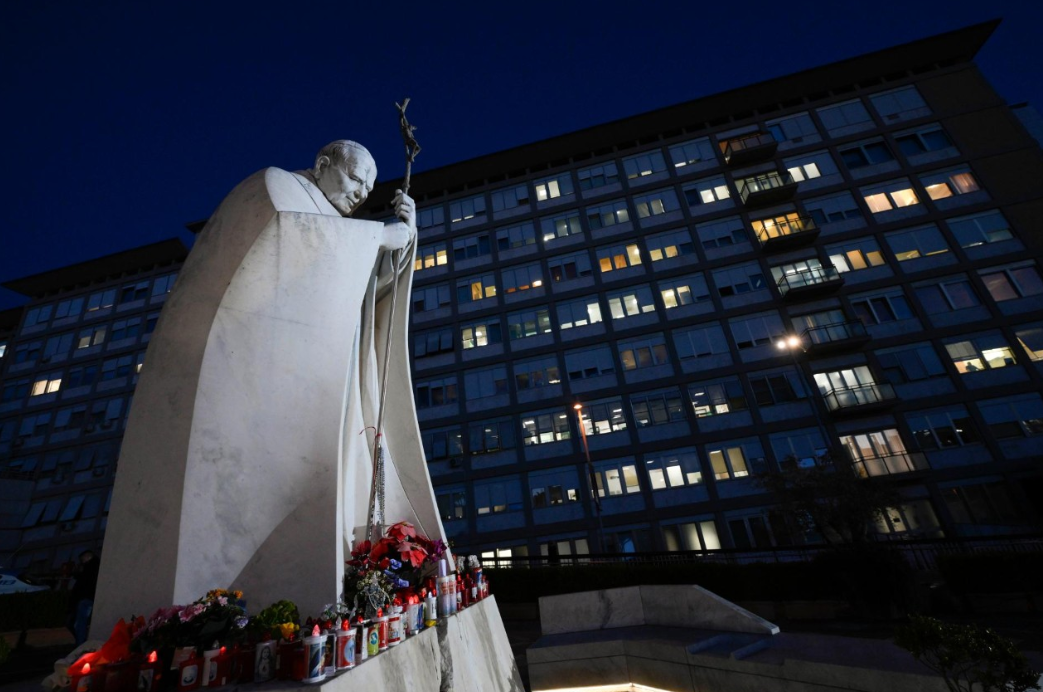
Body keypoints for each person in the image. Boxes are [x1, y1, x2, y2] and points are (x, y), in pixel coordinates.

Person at [92, 140, 449, 636]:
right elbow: (289, 240)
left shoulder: (338, 221)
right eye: (354, 180)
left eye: (368, 190)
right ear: (323, 164)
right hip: (257, 386)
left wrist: (402, 242)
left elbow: (363, 291)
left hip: (321, 387)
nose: (360, 195)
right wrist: (378, 236)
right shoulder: (276, 186)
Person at [68, 550, 99, 645]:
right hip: (86, 598)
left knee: (79, 624)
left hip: (86, 598)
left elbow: (84, 580)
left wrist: (77, 573)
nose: (81, 562)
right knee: (78, 623)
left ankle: (81, 644)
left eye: (82, 559)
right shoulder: (93, 566)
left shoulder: (90, 567)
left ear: (87, 557)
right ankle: (81, 643)